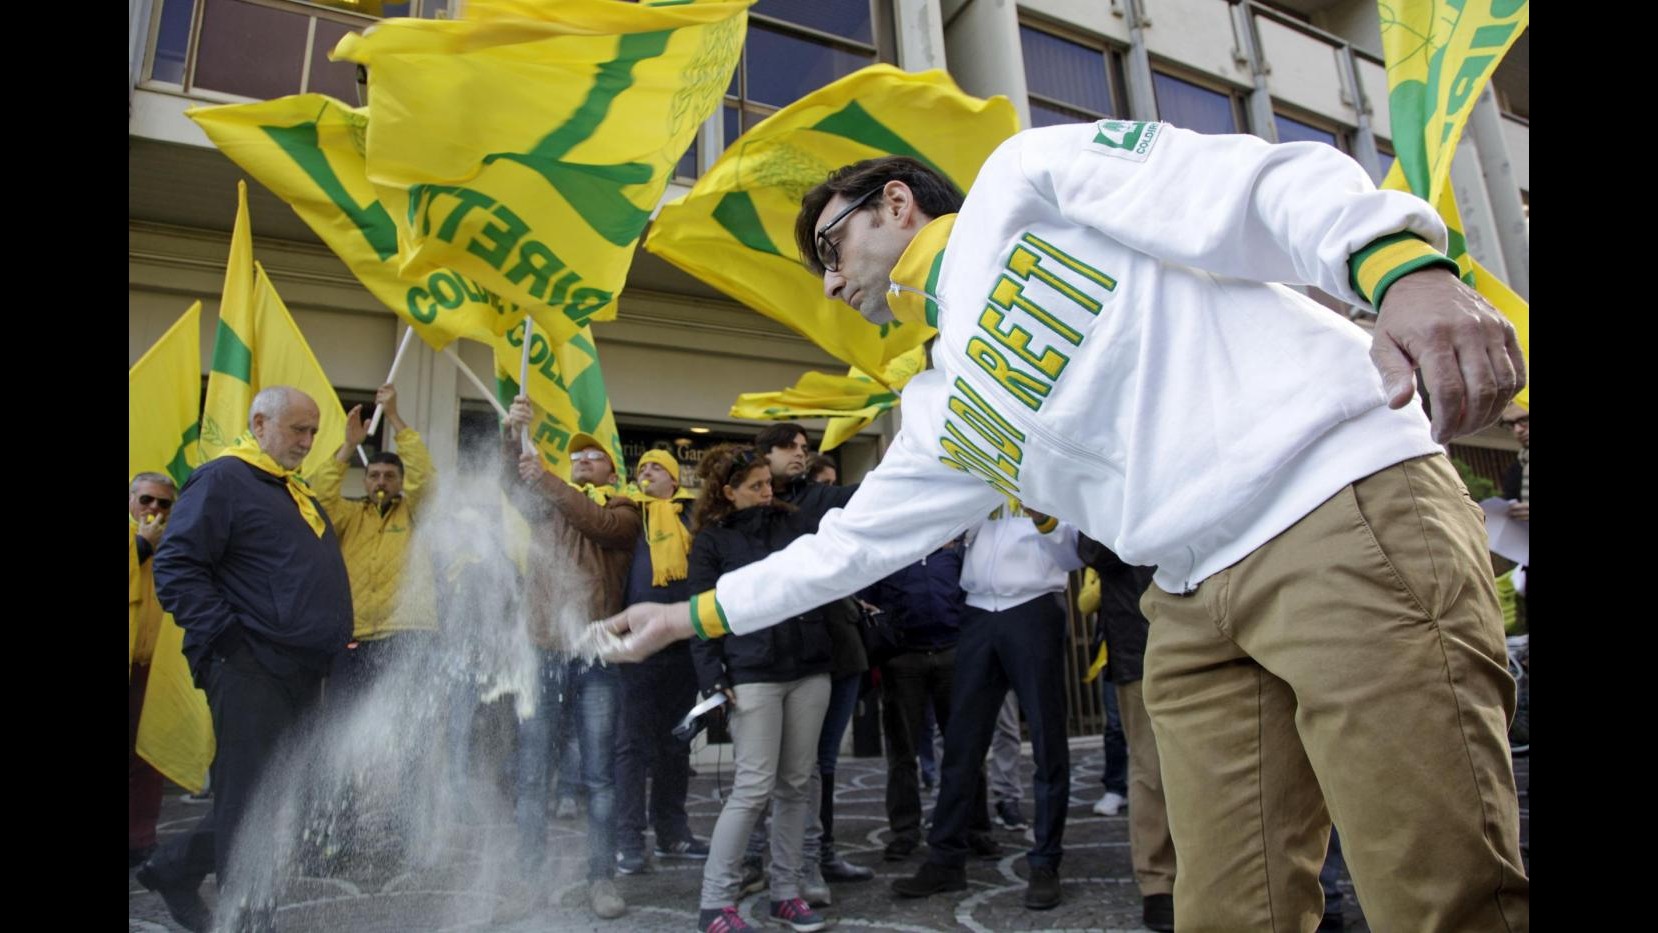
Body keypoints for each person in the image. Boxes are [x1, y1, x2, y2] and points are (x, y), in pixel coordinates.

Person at [606, 121, 1528, 931]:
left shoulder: (1025, 178)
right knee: (1226, 907)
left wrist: (1402, 269)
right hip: (1190, 598)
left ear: (895, 203)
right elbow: (848, 548)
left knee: (1437, 887)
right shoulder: (937, 404)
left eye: (831, 246)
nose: (830, 279)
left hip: (1337, 503)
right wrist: (689, 617)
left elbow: (1248, 187)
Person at [137, 387, 353, 933]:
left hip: (301, 667)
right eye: (298, 430)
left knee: (280, 796)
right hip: (251, 664)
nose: (307, 442)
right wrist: (230, 642)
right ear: (260, 422)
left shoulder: (287, 488)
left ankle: (173, 868)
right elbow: (178, 568)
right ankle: (249, 921)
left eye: (313, 432)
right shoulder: (224, 478)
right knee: (255, 799)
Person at [501, 402, 641, 922]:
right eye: (576, 453)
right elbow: (513, 481)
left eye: (592, 454)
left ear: (610, 471)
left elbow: (600, 524)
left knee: (600, 776)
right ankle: (527, 879)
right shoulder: (546, 504)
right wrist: (511, 433)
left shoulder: (624, 509)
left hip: (596, 656)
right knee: (533, 774)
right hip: (543, 651)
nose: (582, 457)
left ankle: (601, 878)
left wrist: (551, 479)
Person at [689, 446, 833, 933]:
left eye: (767, 483)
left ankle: (785, 894)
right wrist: (711, 675)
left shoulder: (793, 524)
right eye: (755, 486)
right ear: (727, 493)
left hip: (809, 665)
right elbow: (702, 615)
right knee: (752, 788)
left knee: (797, 783)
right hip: (750, 671)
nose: (767, 492)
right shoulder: (711, 542)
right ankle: (715, 903)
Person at [614, 449, 709, 874]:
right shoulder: (627, 518)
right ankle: (628, 841)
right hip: (637, 648)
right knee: (632, 747)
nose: (646, 472)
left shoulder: (693, 520)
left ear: (674, 478)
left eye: (655, 467)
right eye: (641, 469)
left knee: (676, 743)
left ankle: (672, 832)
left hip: (684, 646)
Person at [310, 383, 434, 703]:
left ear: (401, 481)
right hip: (355, 636)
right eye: (374, 475)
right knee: (343, 722)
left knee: (403, 726)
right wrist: (348, 447)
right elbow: (317, 502)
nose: (381, 481)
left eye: (390, 476)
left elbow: (425, 477)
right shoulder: (349, 515)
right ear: (364, 481)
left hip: (406, 635)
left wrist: (393, 418)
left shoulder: (418, 514)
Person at [129, 472, 177, 868]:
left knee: (149, 757)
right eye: (147, 501)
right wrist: (141, 547)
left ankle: (141, 838)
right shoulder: (140, 543)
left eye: (164, 504)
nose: (155, 511)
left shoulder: (173, 546)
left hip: (153, 667)